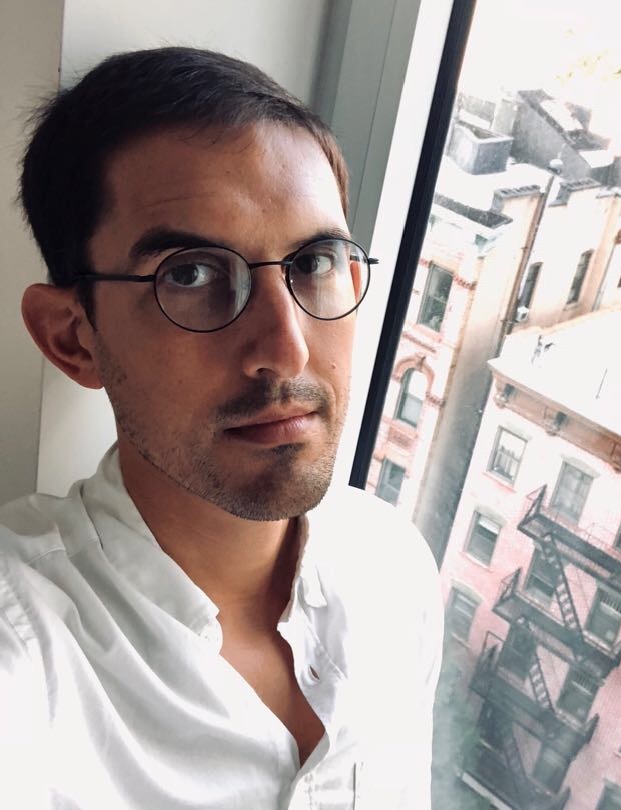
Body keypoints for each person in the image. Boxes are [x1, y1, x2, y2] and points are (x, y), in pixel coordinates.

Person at [0, 47, 442, 809]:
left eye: (313, 262)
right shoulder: (27, 651)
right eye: (191, 274)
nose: (285, 349)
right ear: (73, 338)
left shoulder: (391, 566)